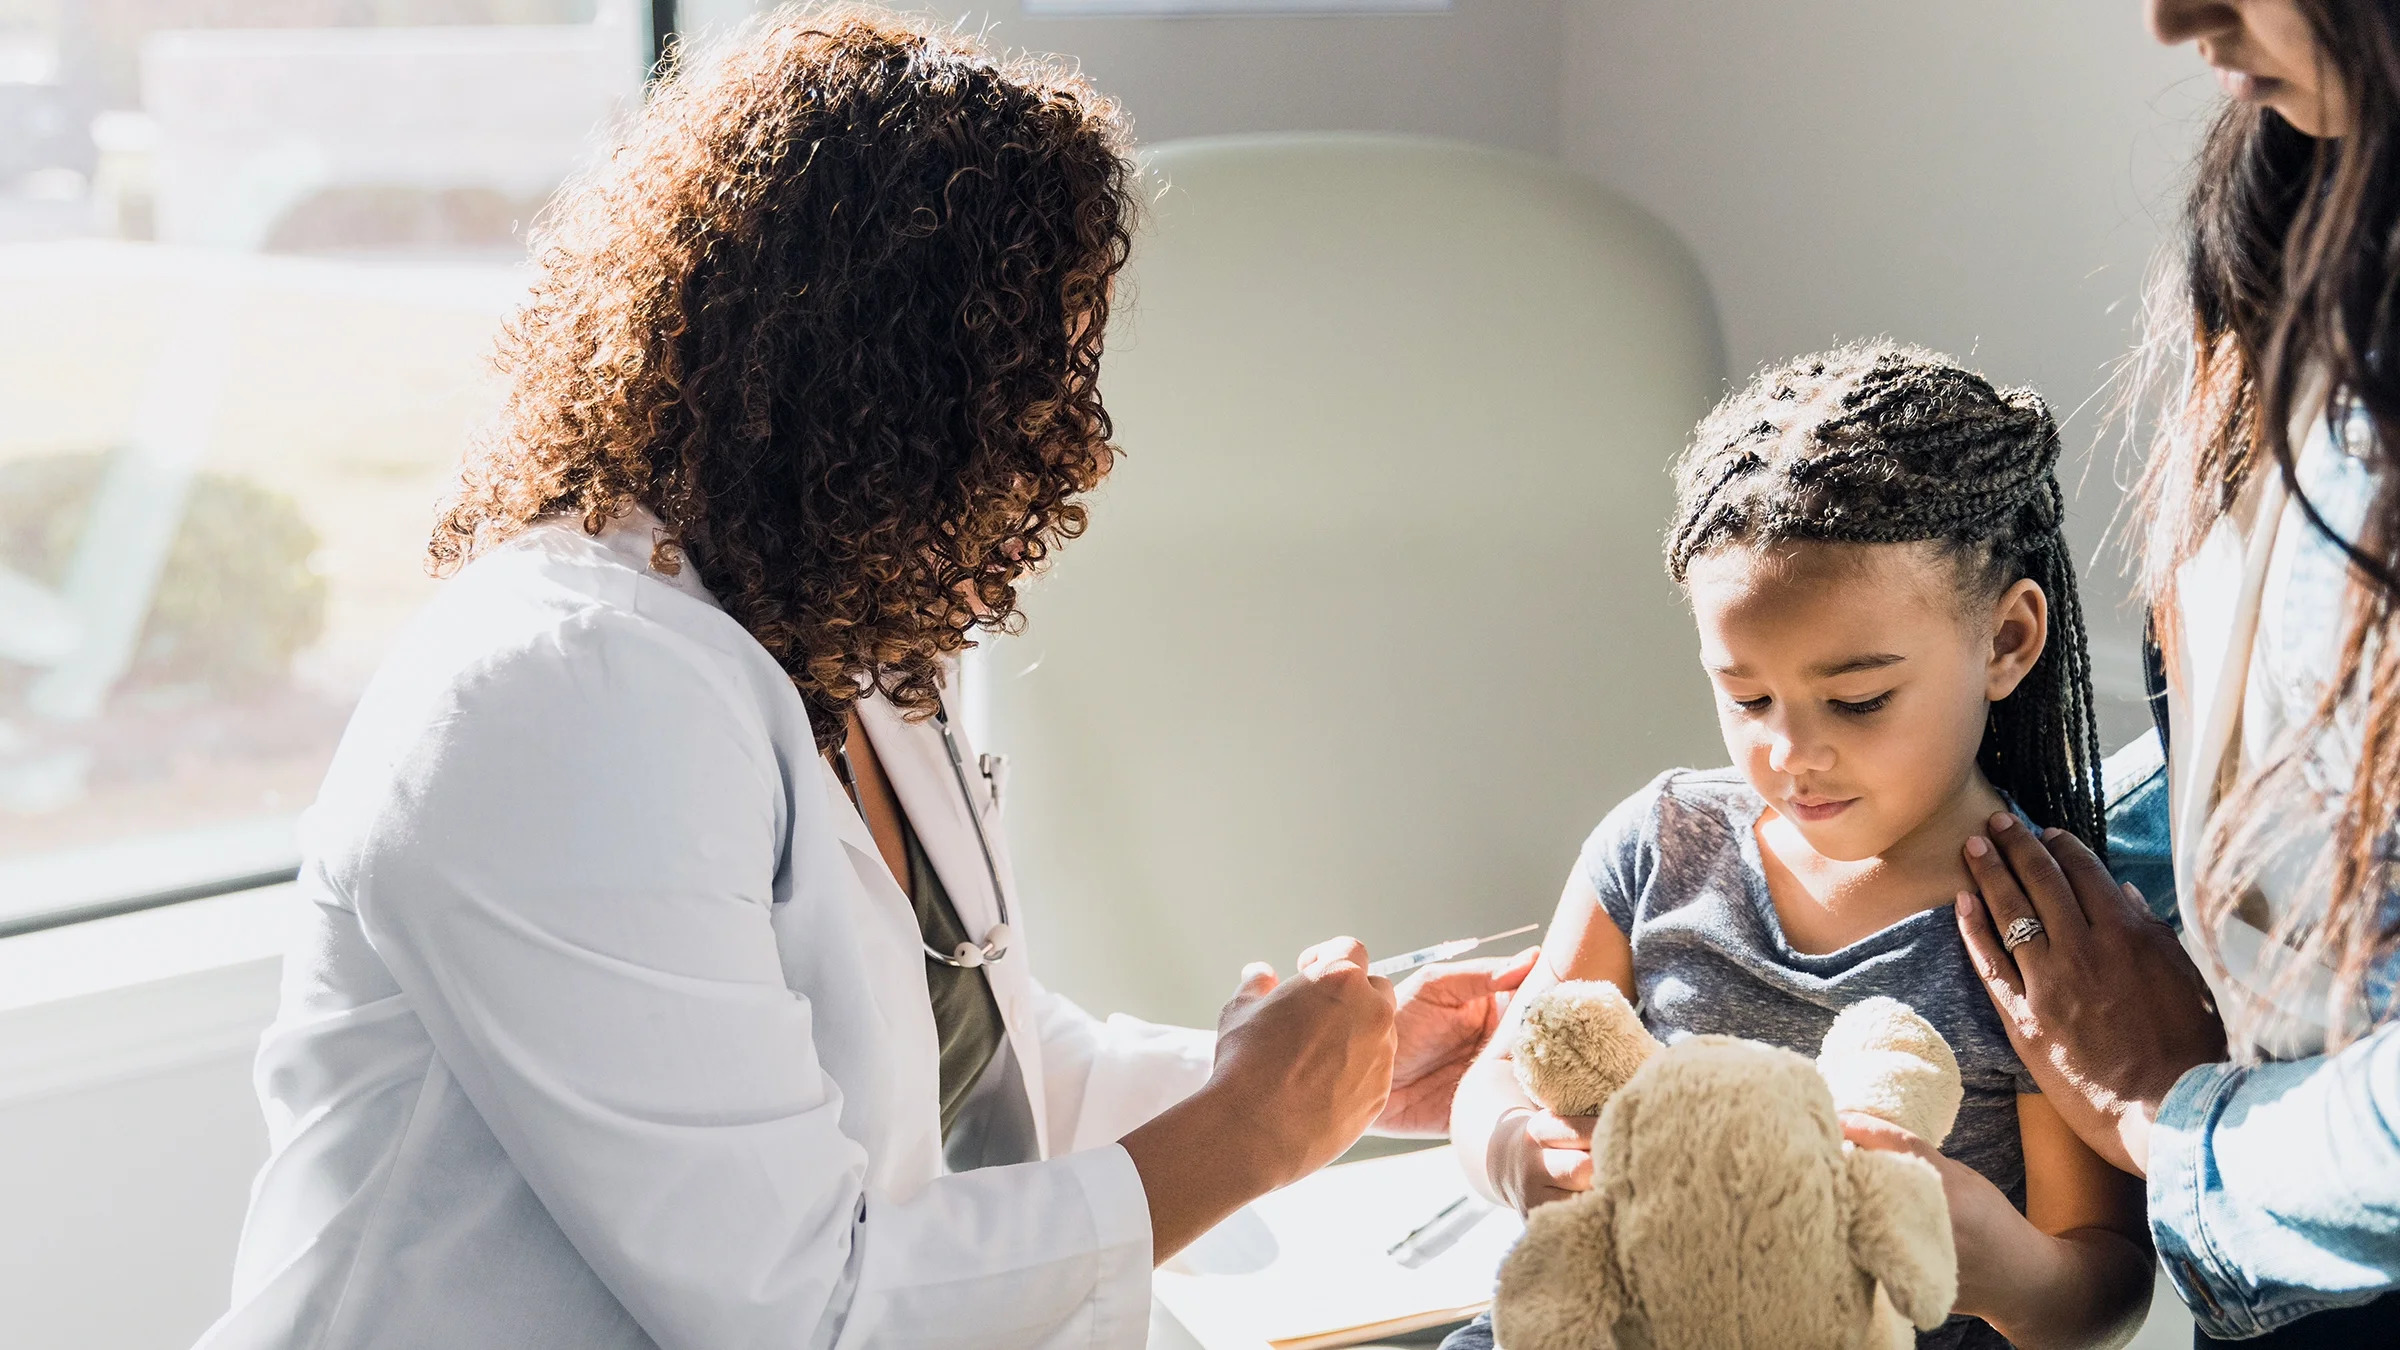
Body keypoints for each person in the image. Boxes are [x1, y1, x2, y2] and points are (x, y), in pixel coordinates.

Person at [187, 11, 1528, 1350]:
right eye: (1030, 379)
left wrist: (1319, 1078)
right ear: (873, 377)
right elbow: (807, 1312)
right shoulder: (563, 696)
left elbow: (978, 1082)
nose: (1076, 444)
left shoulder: (834, 636)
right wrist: (1247, 1132)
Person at [1444, 345, 2155, 1349]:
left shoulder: (2040, 936)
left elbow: (2104, 1289)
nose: (1792, 753)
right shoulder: (1658, 848)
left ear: (2006, 642)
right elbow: (1505, 1070)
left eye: (1858, 700)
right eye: (1745, 697)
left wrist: (2004, 1263)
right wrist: (1516, 1153)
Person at [1947, 1, 2400, 1343]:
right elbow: (2286, 772)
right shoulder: (2311, 212)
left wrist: (2173, 1115)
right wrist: (1829, 895)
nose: (2170, 19)